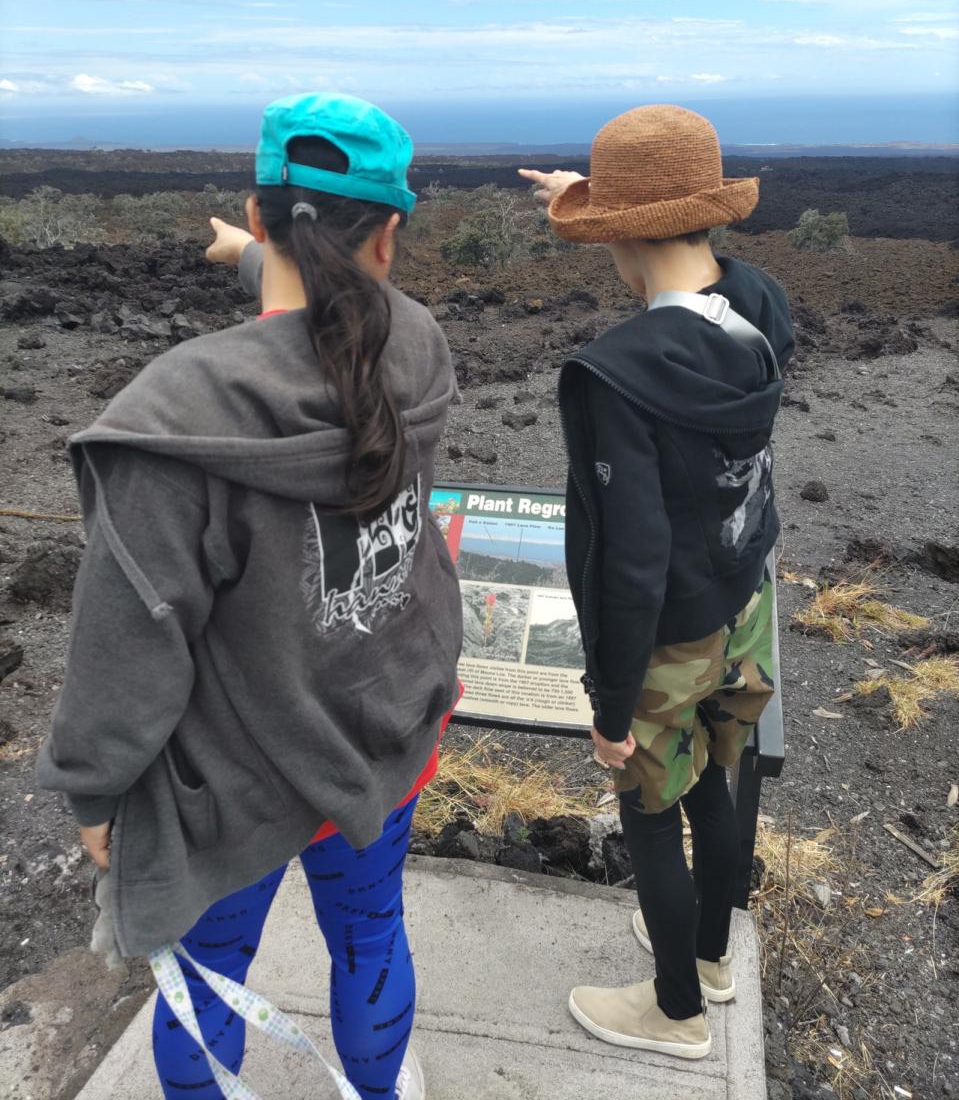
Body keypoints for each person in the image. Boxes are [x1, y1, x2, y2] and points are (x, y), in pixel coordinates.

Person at [37, 92, 464, 1100]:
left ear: (256, 210)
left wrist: (95, 788)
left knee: (209, 974)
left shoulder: (174, 417)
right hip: (387, 732)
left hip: (235, 785)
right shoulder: (418, 345)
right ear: (389, 236)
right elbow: (333, 315)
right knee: (370, 932)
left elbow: (126, 639)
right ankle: (377, 1087)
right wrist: (257, 258)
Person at [521, 105, 794, 1060]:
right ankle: (711, 958)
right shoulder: (758, 302)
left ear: (624, 237)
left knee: (647, 808)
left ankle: (675, 1011)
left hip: (664, 632)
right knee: (713, 775)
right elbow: (695, 281)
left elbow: (627, 560)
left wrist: (608, 706)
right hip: (741, 600)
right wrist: (597, 202)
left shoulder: (614, 374)